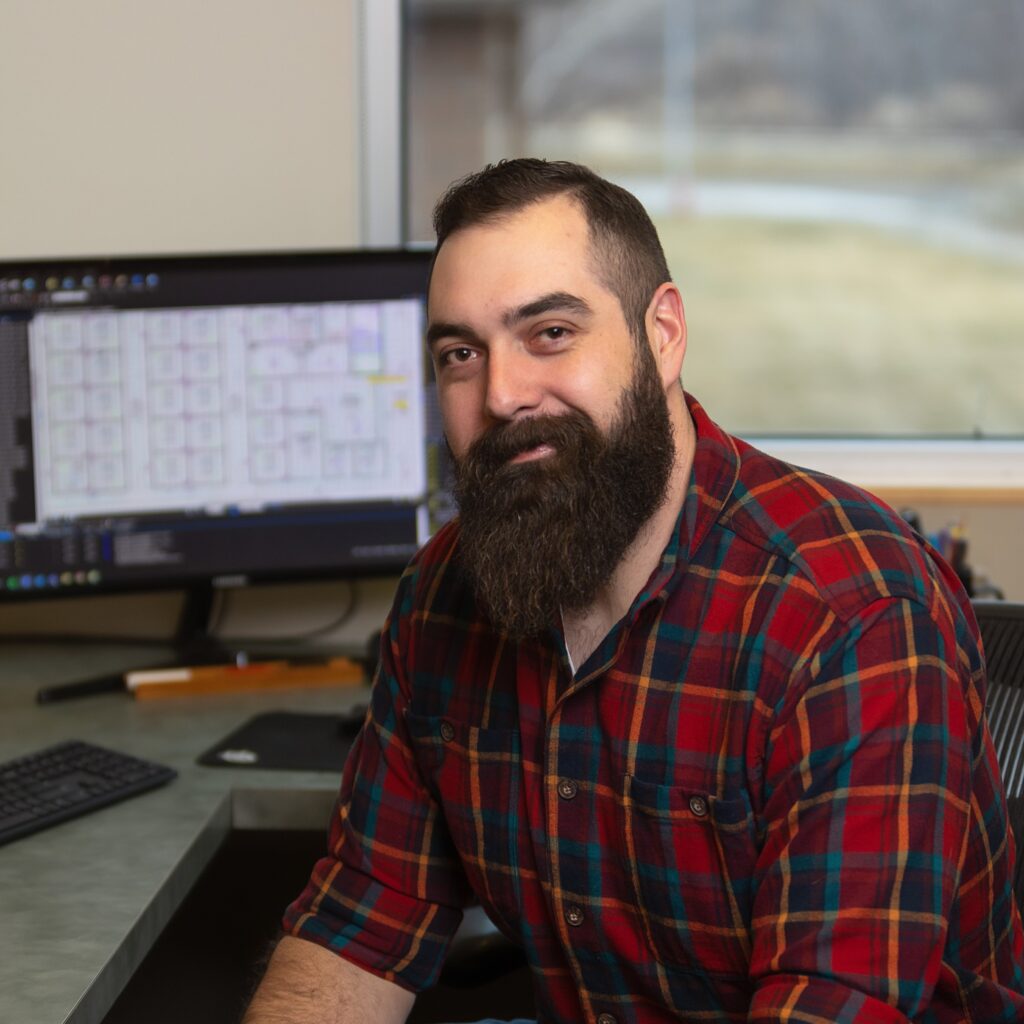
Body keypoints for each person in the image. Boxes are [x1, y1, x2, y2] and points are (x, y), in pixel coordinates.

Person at [244, 159, 1024, 1023]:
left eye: (550, 333)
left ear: (663, 335)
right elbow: (358, 925)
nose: (501, 395)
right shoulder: (440, 597)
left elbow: (833, 1005)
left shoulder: (851, 614)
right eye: (461, 354)